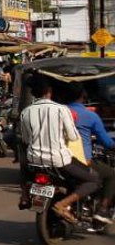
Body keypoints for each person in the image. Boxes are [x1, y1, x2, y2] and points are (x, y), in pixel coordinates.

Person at [20, 76, 94, 225]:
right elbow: (73, 137)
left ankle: (25, 195)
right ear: (49, 91)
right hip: (59, 161)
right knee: (93, 179)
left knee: (26, 172)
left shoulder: (26, 112)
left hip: (34, 161)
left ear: (34, 93)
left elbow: (26, 140)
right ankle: (62, 205)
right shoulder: (61, 109)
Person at [65, 87, 114, 225]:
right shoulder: (90, 116)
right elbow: (106, 141)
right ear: (82, 97)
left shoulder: (59, 111)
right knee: (111, 174)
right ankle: (102, 210)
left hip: (56, 158)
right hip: (81, 160)